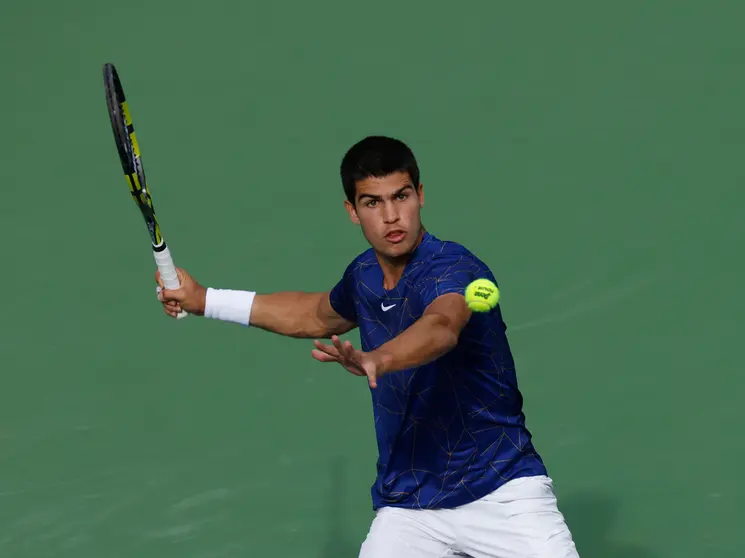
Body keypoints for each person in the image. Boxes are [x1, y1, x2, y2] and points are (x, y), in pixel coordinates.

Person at [156, 136, 579, 558]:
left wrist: (379, 357)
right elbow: (314, 314)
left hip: (501, 492)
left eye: (401, 196)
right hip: (410, 507)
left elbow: (442, 326)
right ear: (352, 212)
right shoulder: (363, 277)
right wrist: (205, 300)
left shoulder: (452, 267)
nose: (392, 215)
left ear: (420, 196)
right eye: (373, 202)